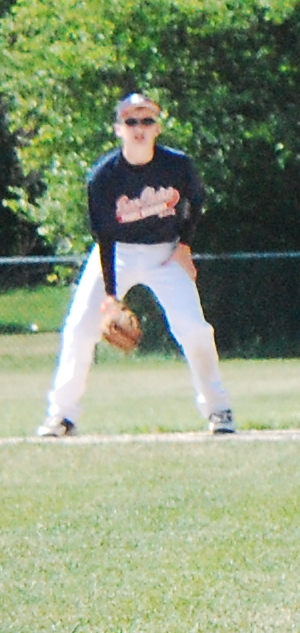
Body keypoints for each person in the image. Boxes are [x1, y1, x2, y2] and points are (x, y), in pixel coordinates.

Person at [35, 91, 233, 438]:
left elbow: (196, 201)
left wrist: (184, 246)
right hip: (117, 253)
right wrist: (111, 296)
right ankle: (62, 415)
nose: (139, 127)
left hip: (166, 253)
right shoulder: (104, 176)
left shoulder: (177, 165)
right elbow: (105, 235)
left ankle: (219, 410)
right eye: (131, 121)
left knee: (194, 330)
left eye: (147, 120)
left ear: (157, 128)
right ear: (118, 129)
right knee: (80, 328)